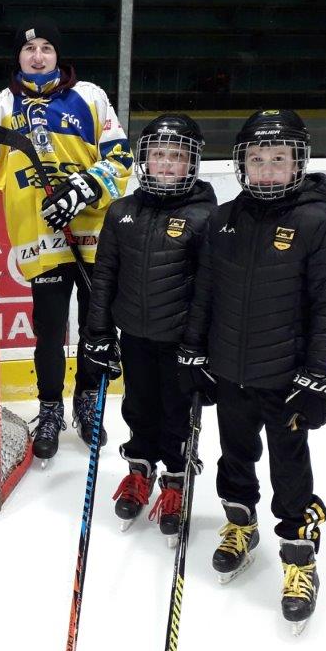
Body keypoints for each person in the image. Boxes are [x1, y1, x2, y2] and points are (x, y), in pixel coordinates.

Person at [178, 109, 326, 632]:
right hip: (230, 369)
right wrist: (194, 351)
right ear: (241, 164)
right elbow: (206, 291)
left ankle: (299, 558)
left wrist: (320, 374)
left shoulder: (319, 222)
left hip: (286, 378)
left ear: (299, 162)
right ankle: (240, 525)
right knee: (235, 455)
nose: (268, 169)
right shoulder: (224, 219)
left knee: (289, 469)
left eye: (280, 159)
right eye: (257, 159)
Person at [0, 17, 133, 463]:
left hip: (94, 232)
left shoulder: (91, 97)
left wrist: (84, 189)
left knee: (95, 327)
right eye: (29, 49)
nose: (38, 55)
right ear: (18, 57)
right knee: (48, 328)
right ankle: (49, 410)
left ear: (58, 55)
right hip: (41, 234)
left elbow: (121, 158)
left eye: (46, 47)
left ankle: (87, 402)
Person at [80, 114, 217, 536]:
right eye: (158, 154)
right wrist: (98, 333)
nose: (167, 163)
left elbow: (210, 288)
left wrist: (200, 346)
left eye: (177, 156)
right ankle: (139, 471)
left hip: (180, 343)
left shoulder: (206, 216)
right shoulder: (122, 211)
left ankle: (175, 480)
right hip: (134, 336)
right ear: (144, 159)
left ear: (192, 162)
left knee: (177, 413)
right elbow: (105, 277)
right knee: (138, 407)